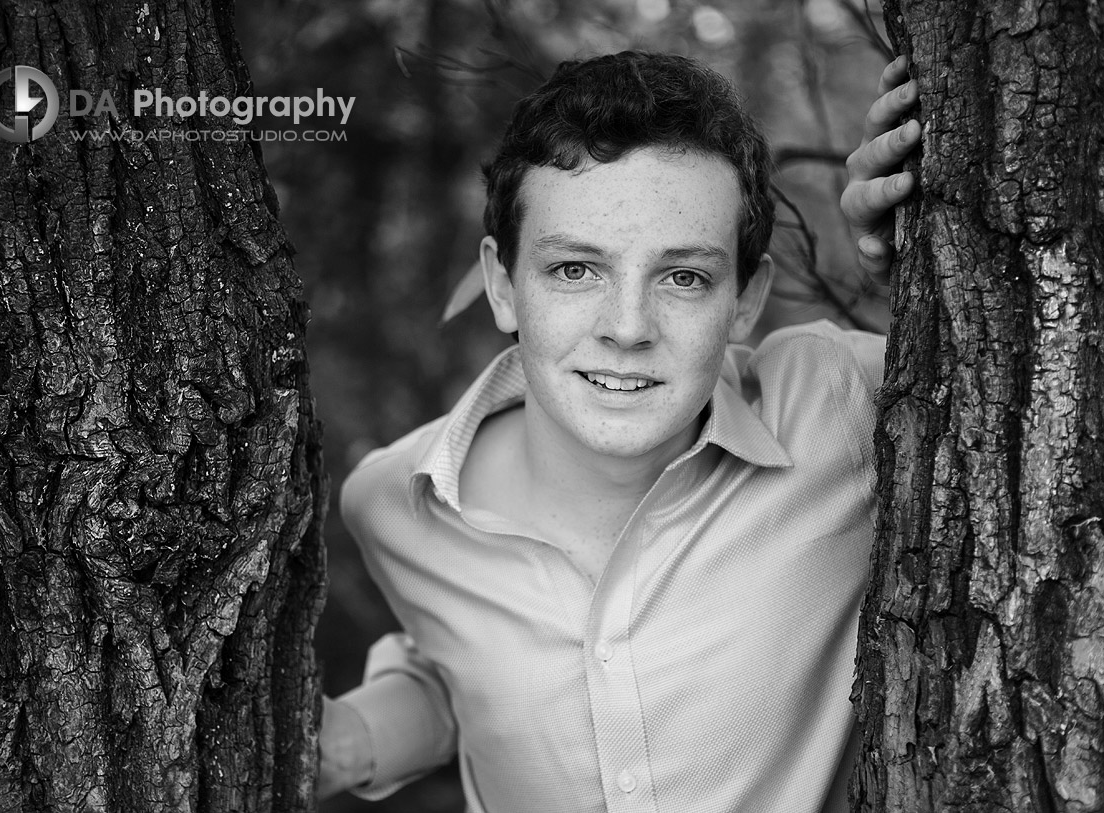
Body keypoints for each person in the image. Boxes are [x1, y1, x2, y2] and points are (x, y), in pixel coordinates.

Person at [319, 50, 921, 812]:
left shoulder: (839, 405)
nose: (628, 328)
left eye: (684, 277)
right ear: (503, 285)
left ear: (745, 300)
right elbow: (463, 659)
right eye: (576, 269)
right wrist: (351, 741)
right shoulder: (397, 504)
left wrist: (922, 262)